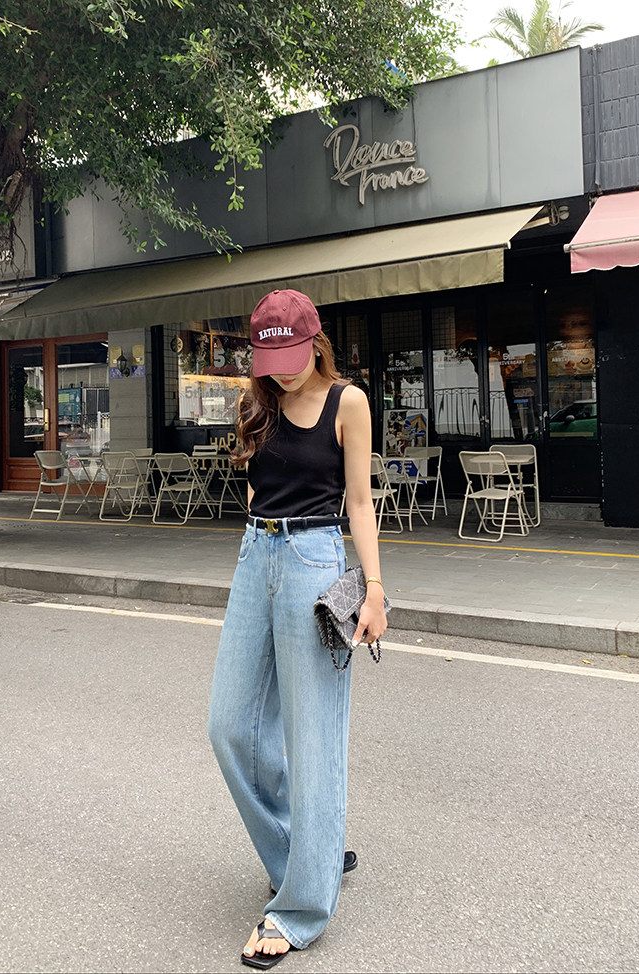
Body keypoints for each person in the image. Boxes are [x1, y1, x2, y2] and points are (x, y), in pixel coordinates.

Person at [207, 289, 388, 968]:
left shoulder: (349, 402)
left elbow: (361, 501)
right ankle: (307, 852)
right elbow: (259, 487)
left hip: (316, 557)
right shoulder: (255, 404)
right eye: (269, 361)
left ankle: (302, 906)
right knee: (229, 725)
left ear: (316, 344)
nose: (280, 373)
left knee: (314, 739)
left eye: (291, 359)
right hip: (257, 555)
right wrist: (260, 552)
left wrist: (374, 591)